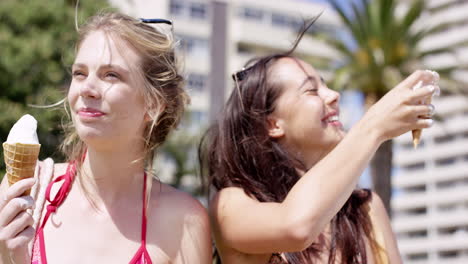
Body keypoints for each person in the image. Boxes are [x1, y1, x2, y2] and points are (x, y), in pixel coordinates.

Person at [200, 17, 438, 264]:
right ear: (272, 124)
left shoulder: (365, 208)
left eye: (326, 86)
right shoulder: (232, 203)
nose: (334, 95)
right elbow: (295, 227)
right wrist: (373, 126)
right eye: (311, 90)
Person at [0, 12, 211, 264]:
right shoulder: (29, 191)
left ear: (154, 104)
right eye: (80, 73)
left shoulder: (184, 221)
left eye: (111, 74)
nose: (86, 89)